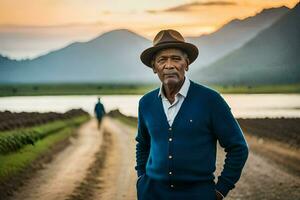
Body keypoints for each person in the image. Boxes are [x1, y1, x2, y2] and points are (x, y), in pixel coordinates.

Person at [135, 29, 249, 200]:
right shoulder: (146, 103)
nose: (169, 65)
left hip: (198, 195)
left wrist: (221, 189)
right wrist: (141, 179)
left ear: (186, 64)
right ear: (154, 67)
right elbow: (143, 144)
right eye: (162, 60)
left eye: (176, 59)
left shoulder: (210, 100)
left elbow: (238, 147)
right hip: (152, 194)